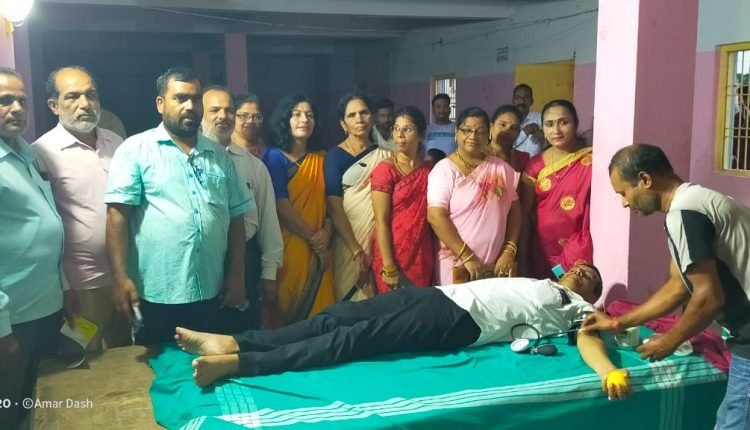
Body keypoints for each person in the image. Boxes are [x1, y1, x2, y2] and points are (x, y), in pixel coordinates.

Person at [175, 263, 631, 404]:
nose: (582, 270)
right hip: (440, 295)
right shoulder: (544, 279)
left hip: (459, 323)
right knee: (336, 317)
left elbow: (588, 338)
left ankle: (240, 364)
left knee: (355, 339)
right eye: (580, 266)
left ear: (593, 294)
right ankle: (235, 341)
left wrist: (607, 371)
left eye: (591, 275)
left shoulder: (578, 309)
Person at [584, 143, 750, 429]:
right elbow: (678, 286)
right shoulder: (695, 201)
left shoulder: (685, 213)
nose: (625, 203)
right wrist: (618, 322)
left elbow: (708, 297)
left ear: (645, 180)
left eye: (624, 193)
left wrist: (670, 340)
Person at [105, 68, 253, 344]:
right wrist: (120, 277)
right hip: (156, 293)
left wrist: (237, 275)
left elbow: (236, 219)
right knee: (160, 365)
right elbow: (117, 218)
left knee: (206, 362)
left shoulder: (219, 156)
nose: (189, 106)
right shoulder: (136, 149)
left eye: (195, 99)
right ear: (160, 103)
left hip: (210, 290)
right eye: (180, 98)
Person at [33, 66, 130, 351]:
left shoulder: (118, 144)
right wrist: (64, 286)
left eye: (91, 95)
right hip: (80, 285)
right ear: (54, 105)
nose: (85, 104)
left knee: (126, 357)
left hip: (124, 277)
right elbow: (43, 229)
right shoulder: (41, 153)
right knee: (82, 360)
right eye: (73, 96)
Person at [0, 67, 65, 430]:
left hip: (43, 307)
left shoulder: (25, 153)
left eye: (22, 101)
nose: (16, 109)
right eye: (5, 101)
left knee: (35, 401)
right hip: (12, 317)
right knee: (7, 406)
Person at [201, 86, 283, 330]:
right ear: (200, 114)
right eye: (214, 110)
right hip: (201, 259)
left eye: (229, 111)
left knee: (241, 335)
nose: (223, 116)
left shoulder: (253, 166)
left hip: (245, 259)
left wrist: (269, 272)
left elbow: (268, 220)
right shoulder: (187, 161)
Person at [261, 94, 335, 323]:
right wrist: (314, 240)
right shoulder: (273, 157)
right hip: (287, 247)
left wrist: (326, 232)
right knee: (286, 312)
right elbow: (280, 204)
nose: (304, 119)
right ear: (285, 120)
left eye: (310, 115)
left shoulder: (322, 158)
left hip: (321, 247)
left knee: (323, 316)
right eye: (297, 114)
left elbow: (331, 202)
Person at [428, 107, 521, 285]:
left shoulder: (501, 168)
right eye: (467, 130)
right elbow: (435, 217)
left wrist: (509, 251)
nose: (473, 136)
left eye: (480, 131)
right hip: (456, 264)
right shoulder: (444, 170)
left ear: (488, 134)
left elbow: (515, 212)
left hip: (495, 266)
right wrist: (467, 256)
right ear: (456, 133)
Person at [325, 92, 391, 301]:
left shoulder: (386, 155)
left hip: (379, 239)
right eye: (351, 115)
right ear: (343, 123)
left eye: (364, 113)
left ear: (372, 117)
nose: (359, 119)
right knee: (349, 299)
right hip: (347, 242)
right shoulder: (335, 156)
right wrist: (356, 251)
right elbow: (334, 206)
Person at [520, 100, 592, 280]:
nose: (556, 130)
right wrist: (522, 258)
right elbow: (525, 213)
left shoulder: (591, 160)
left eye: (563, 122)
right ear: (543, 129)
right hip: (542, 251)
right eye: (549, 124)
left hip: (579, 249)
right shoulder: (535, 165)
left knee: (574, 290)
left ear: (576, 124)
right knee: (547, 292)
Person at [371, 106, 435, 294]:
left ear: (421, 135)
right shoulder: (385, 170)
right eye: (396, 129)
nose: (399, 135)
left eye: (407, 129)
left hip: (422, 253)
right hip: (392, 254)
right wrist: (389, 265)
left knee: (421, 307)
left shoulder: (430, 170)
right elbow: (380, 220)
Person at [488, 104, 531, 173]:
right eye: (503, 125)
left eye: (514, 128)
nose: (507, 131)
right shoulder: (477, 154)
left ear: (518, 133)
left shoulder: (523, 159)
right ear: (491, 127)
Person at [511, 84, 545, 157]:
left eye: (526, 97)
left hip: (536, 163)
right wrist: (524, 132)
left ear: (531, 101)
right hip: (512, 163)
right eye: (518, 97)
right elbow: (506, 145)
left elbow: (552, 140)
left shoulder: (540, 118)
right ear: (513, 101)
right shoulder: (507, 121)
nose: (522, 101)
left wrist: (544, 134)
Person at [232, 93, 266, 158]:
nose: (250, 121)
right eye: (243, 116)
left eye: (256, 117)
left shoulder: (269, 152)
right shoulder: (223, 147)